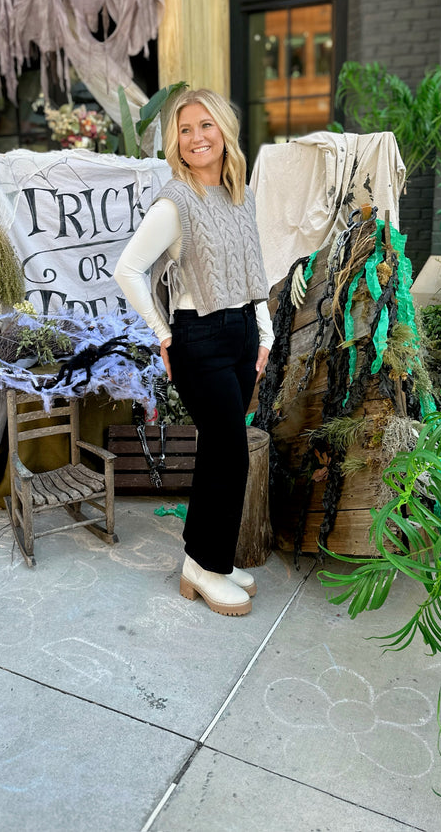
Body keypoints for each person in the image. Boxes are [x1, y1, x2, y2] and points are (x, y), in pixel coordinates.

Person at [114, 88, 273, 617]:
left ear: (224, 131)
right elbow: (128, 269)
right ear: (175, 143)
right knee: (227, 452)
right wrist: (163, 333)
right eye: (185, 130)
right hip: (199, 337)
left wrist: (266, 334)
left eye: (205, 126)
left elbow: (255, 273)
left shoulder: (241, 196)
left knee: (221, 452)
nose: (196, 138)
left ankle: (205, 563)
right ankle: (206, 569)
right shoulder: (175, 202)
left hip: (242, 332)